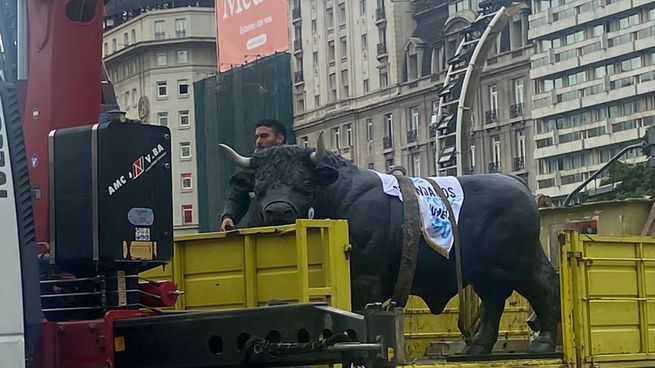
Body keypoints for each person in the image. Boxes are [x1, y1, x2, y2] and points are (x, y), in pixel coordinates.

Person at [219, 119, 287, 231]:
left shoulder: (299, 167)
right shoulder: (252, 170)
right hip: (259, 236)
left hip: (296, 232)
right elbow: (237, 198)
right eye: (257, 137)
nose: (258, 141)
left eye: (264, 136)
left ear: (280, 138)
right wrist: (228, 216)